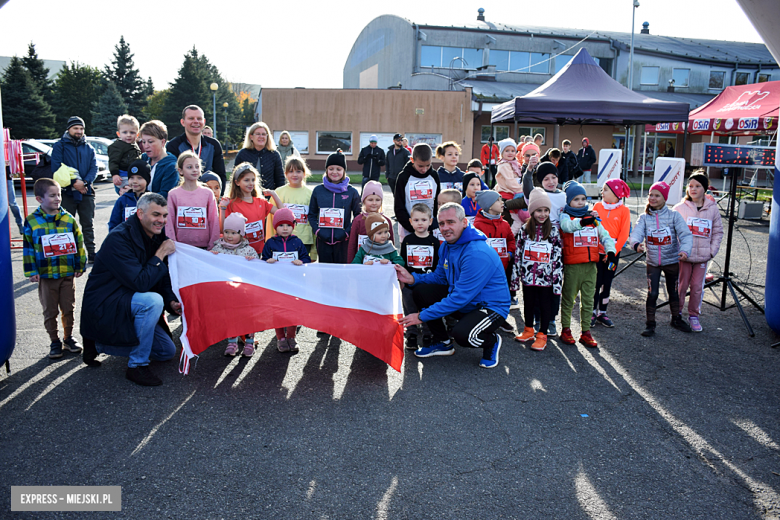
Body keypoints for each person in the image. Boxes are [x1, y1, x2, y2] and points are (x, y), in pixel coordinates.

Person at [80, 193, 180, 386]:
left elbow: (162, 277)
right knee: (152, 301)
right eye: (156, 215)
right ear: (140, 213)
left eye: (165, 215)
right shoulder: (118, 238)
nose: (161, 220)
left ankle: (103, 343)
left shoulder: (155, 235)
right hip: (107, 302)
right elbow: (140, 282)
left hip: (129, 300)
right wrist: (160, 254)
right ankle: (137, 365)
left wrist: (171, 301)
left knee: (165, 352)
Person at [395, 203, 510, 369]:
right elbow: (440, 277)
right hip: (465, 301)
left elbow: (459, 298)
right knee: (421, 291)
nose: (445, 228)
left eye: (450, 222)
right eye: (441, 224)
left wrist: (421, 316)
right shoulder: (447, 245)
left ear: (464, 222)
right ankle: (443, 342)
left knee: (463, 335)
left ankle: (491, 341)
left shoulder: (476, 253)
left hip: (490, 307)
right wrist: (413, 279)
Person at [23, 178, 87, 359]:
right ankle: (54, 340)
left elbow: (79, 242)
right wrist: (31, 271)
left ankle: (68, 337)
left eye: (58, 194)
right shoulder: (32, 222)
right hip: (46, 275)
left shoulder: (68, 219)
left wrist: (79, 264)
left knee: (68, 307)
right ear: (39, 199)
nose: (57, 198)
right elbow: (27, 247)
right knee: (50, 310)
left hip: (67, 273)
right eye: (52, 195)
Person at [629, 181, 693, 337]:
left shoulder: (674, 215)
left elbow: (685, 235)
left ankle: (676, 319)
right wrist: (636, 244)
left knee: (673, 291)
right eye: (651, 195)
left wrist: (685, 250)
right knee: (652, 293)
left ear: (664, 198)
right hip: (653, 262)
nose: (653, 198)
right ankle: (650, 324)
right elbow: (636, 233)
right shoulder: (644, 217)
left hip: (671, 261)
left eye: (657, 195)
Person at [558, 181, 617, 348]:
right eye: (576, 199)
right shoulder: (566, 215)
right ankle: (566, 329)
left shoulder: (593, 218)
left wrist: (610, 252)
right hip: (573, 266)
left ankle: (585, 332)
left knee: (589, 300)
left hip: (591, 266)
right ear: (568, 201)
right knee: (569, 299)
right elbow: (567, 227)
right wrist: (583, 222)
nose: (580, 202)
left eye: (583, 198)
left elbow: (605, 236)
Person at [512, 188, 563, 352]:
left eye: (546, 210)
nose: (543, 214)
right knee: (528, 303)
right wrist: (515, 278)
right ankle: (528, 329)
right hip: (528, 277)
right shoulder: (525, 231)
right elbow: (518, 255)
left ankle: (542, 334)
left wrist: (556, 282)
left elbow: (558, 258)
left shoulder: (553, 231)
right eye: (539, 210)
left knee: (545, 306)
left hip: (546, 279)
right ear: (532, 211)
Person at [672, 171, 723, 332]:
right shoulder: (679, 208)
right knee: (681, 286)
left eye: (698, 186)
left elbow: (718, 231)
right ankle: (677, 313)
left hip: (702, 257)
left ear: (705, 189)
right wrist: (677, 250)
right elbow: (672, 230)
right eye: (690, 186)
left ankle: (694, 315)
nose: (693, 189)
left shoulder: (712, 209)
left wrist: (711, 251)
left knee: (697, 287)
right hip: (684, 256)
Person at [262, 208, 312, 352]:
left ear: (293, 226)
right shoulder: (270, 243)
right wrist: (267, 261)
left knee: (293, 310)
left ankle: (291, 337)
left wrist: (300, 261)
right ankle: (280, 338)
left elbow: (306, 259)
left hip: (294, 284)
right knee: (277, 310)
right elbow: (263, 261)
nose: (285, 228)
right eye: (281, 225)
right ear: (275, 227)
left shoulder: (297, 242)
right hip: (276, 284)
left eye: (288, 225)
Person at [210, 212, 259, 356]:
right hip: (227, 292)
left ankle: (249, 343)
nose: (229, 236)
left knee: (248, 317)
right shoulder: (218, 249)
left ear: (242, 234)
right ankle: (232, 342)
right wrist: (211, 257)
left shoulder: (249, 250)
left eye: (233, 233)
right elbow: (209, 264)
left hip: (245, 293)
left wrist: (253, 261)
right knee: (230, 316)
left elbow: (257, 270)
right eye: (226, 232)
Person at [51, 116, 97, 263]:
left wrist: (84, 183)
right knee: (65, 225)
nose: (79, 131)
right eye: (76, 128)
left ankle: (91, 254)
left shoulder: (89, 147)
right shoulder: (60, 146)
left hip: (86, 192)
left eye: (81, 128)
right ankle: (68, 256)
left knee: (88, 225)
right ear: (69, 129)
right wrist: (73, 183)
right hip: (67, 193)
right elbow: (56, 167)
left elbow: (93, 168)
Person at [473, 189, 516, 334]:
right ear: (489, 205)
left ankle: (500, 318)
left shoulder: (504, 224)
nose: (502, 202)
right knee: (483, 295)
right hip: (484, 269)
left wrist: (510, 253)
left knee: (500, 295)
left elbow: (510, 239)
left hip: (502, 267)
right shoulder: (477, 226)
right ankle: (481, 319)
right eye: (498, 200)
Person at [308, 150, 361, 264]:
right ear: (326, 170)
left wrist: (347, 233)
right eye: (331, 169)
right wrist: (318, 231)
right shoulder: (318, 190)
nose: (334, 172)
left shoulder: (352, 192)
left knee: (342, 273)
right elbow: (311, 214)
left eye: (338, 169)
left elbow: (358, 216)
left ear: (344, 171)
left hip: (343, 241)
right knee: (325, 273)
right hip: (323, 241)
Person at [591, 179, 632, 328]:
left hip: (612, 255)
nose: (602, 192)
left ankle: (603, 312)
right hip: (597, 253)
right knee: (595, 282)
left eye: (606, 190)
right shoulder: (597, 206)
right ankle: (591, 312)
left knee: (606, 282)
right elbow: (592, 226)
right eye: (602, 189)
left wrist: (612, 253)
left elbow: (624, 234)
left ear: (616, 194)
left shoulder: (624, 211)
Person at [399, 203, 439, 350]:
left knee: (426, 309)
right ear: (410, 222)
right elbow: (402, 262)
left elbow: (437, 265)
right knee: (410, 309)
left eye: (423, 219)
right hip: (409, 285)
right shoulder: (407, 241)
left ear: (430, 221)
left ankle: (428, 333)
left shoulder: (434, 242)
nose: (420, 223)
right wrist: (402, 281)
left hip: (427, 285)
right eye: (416, 220)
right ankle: (411, 335)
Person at [220, 163, 282, 257]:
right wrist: (222, 209)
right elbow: (222, 229)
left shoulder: (261, 202)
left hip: (258, 251)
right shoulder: (231, 204)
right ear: (237, 182)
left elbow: (283, 214)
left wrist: (274, 194)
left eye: (253, 180)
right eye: (246, 180)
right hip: (239, 251)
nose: (251, 183)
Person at [165, 151, 220, 250]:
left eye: (197, 166)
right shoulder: (173, 194)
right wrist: (173, 244)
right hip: (181, 247)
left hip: (204, 247)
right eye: (189, 167)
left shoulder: (208, 193)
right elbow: (169, 222)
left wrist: (213, 245)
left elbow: (214, 221)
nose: (194, 170)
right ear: (180, 171)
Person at [166, 105, 227, 194]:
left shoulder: (214, 145)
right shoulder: (173, 145)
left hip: (209, 197)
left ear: (204, 121)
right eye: (191, 118)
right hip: (184, 197)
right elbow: (172, 176)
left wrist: (218, 197)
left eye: (199, 118)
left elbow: (221, 175)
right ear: (183, 122)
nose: (196, 122)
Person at [394, 143, 441, 242]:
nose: (424, 169)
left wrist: (431, 225)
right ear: (412, 160)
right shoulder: (403, 177)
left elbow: (438, 202)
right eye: (420, 166)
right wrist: (412, 226)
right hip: (408, 229)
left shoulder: (434, 176)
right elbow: (399, 206)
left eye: (428, 165)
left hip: (430, 230)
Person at [273, 157, 316, 261]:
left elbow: (314, 221)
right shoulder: (278, 193)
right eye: (291, 171)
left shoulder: (311, 194)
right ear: (285, 174)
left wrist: (314, 252)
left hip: (305, 241)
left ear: (304, 173)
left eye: (298, 171)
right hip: (282, 240)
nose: (295, 174)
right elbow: (272, 220)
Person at [348, 180, 394, 263]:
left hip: (382, 264)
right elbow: (352, 244)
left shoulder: (386, 221)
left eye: (377, 200)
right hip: (362, 263)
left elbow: (391, 244)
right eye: (370, 200)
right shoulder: (358, 220)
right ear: (364, 201)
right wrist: (351, 265)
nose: (374, 203)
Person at [233, 122, 285, 192]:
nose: (261, 136)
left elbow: (280, 179)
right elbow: (235, 178)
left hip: (268, 198)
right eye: (258, 134)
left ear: (267, 136)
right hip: (246, 197)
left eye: (263, 134)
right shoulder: (242, 154)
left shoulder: (274, 155)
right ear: (251, 137)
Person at [138, 120, 179, 199]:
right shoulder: (142, 159)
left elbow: (165, 196)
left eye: (150, 142)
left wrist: (140, 197)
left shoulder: (171, 166)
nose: (146, 146)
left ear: (163, 142)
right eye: (143, 142)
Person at [109, 160, 150, 231]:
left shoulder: (152, 199)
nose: (135, 181)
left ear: (147, 179)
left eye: (139, 178)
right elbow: (114, 224)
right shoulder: (122, 200)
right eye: (131, 178)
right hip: (126, 241)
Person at [108, 114, 142, 195]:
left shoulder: (135, 145)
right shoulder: (117, 146)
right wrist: (115, 174)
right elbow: (113, 161)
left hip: (133, 174)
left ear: (137, 134)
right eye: (125, 132)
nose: (128, 135)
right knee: (128, 194)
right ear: (118, 134)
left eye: (132, 132)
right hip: (122, 176)